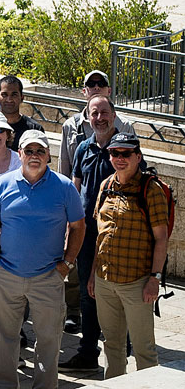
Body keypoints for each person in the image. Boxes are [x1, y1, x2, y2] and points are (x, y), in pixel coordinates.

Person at [0, 130, 85, 389]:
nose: (34, 156)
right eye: (28, 151)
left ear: (48, 156)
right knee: (4, 339)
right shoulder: (3, 184)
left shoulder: (64, 187)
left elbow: (78, 226)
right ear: (19, 154)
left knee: (49, 341)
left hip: (47, 277)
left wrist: (67, 264)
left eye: (40, 151)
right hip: (6, 275)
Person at [88, 134, 169, 380]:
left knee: (144, 350)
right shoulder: (105, 186)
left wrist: (154, 278)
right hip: (104, 281)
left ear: (138, 157)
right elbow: (100, 236)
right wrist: (92, 274)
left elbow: (161, 238)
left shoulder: (151, 189)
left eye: (125, 154)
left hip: (137, 282)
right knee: (112, 345)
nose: (119, 159)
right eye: (115, 153)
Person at [62, 95, 126, 373]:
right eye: (93, 113)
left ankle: (120, 351)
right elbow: (75, 190)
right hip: (87, 234)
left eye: (104, 112)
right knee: (89, 294)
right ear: (87, 118)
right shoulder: (83, 149)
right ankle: (88, 352)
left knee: (117, 292)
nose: (99, 118)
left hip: (117, 234)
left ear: (113, 115)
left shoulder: (124, 149)